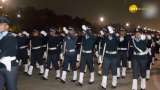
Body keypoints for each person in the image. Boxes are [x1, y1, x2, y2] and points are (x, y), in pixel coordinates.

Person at [0, 16, 18, 90]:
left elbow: (4, 52)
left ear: (6, 26)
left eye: (0, 24)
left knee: (11, 87)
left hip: (9, 67)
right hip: (1, 65)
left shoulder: (11, 37)